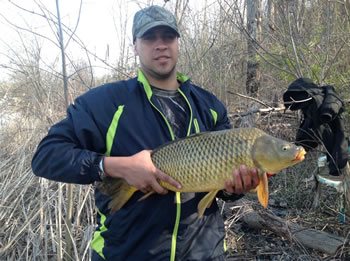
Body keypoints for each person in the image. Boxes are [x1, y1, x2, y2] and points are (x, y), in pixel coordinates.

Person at [32, 5, 259, 261]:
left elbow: (223, 191)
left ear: (177, 43)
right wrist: (117, 166)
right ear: (135, 46)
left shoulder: (210, 106)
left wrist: (236, 188)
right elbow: (46, 157)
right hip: (127, 253)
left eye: (168, 37)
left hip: (205, 252)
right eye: (150, 37)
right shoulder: (104, 103)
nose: (160, 45)